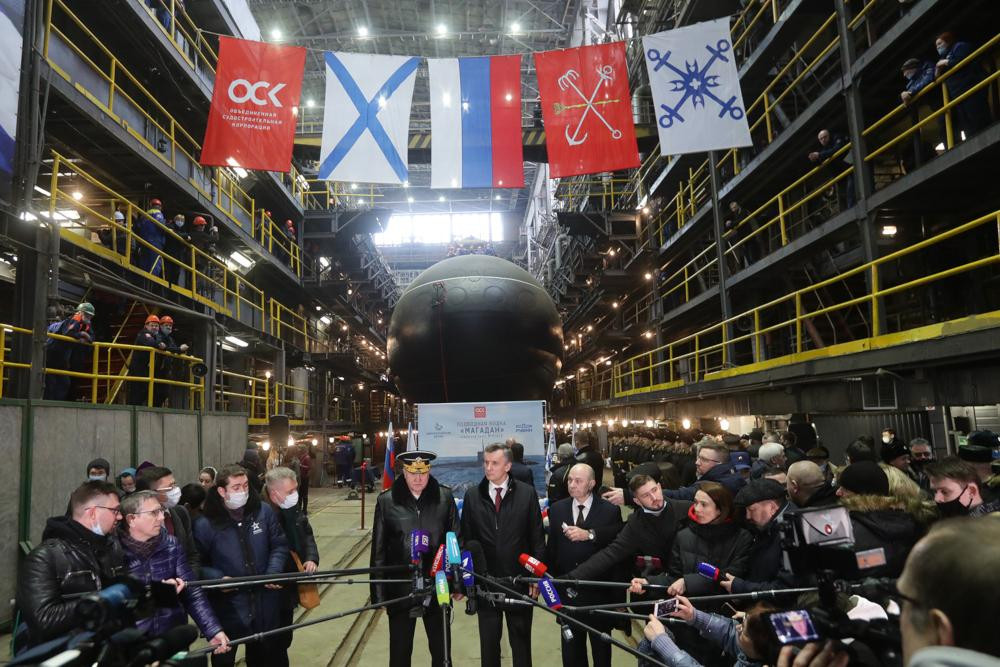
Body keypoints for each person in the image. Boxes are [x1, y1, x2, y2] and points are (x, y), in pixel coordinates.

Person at [194, 464, 289, 666]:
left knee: (263, 656)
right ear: (222, 491)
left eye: (245, 485)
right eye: (236, 488)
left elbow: (279, 544)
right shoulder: (205, 524)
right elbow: (195, 564)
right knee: (224, 658)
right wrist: (217, 579)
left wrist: (273, 571)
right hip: (229, 607)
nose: (243, 491)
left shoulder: (262, 512)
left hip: (264, 602)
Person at [461, 443, 545, 667]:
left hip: (519, 583)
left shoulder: (527, 494)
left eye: (494, 463)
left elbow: (537, 538)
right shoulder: (472, 496)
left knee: (521, 646)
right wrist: (469, 582)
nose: (488, 468)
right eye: (486, 463)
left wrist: (535, 576)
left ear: (508, 466)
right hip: (485, 584)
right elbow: (467, 541)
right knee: (489, 648)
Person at [371, 451, 459, 667]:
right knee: (400, 653)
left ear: (429, 471)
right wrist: (379, 595)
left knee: (442, 652)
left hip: (438, 586)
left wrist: (457, 584)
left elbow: (456, 542)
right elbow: (379, 551)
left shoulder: (445, 498)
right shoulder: (386, 501)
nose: (418, 479)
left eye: (423, 473)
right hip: (400, 588)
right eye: (413, 474)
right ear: (404, 472)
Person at [15, 481, 125, 651]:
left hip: (103, 648)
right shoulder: (45, 557)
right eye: (115, 511)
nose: (119, 517)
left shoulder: (111, 548)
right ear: (93, 513)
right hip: (62, 653)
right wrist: (101, 601)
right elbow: (44, 620)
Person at [118, 490, 229, 652]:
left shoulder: (171, 544)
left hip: (172, 638)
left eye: (161, 511)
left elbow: (192, 591)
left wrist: (212, 629)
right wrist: (160, 592)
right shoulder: (114, 551)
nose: (161, 517)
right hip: (133, 645)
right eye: (154, 513)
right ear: (131, 519)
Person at [545, 463, 623, 667]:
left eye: (578, 481)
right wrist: (552, 587)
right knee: (572, 654)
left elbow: (617, 557)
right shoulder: (557, 509)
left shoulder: (609, 511)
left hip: (600, 596)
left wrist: (618, 600)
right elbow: (552, 550)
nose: (572, 485)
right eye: (570, 480)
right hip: (568, 596)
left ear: (592, 483)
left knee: (601, 654)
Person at [632, 482, 752, 599]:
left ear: (720, 509)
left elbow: (731, 577)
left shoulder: (742, 538)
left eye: (704, 504)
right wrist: (649, 583)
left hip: (724, 606)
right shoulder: (683, 535)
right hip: (688, 606)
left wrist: (688, 582)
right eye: (695, 502)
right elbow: (675, 578)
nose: (697, 509)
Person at [567, 474, 677, 585]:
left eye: (654, 490)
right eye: (645, 495)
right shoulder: (635, 524)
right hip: (657, 582)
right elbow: (610, 554)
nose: (654, 498)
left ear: (660, 487)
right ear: (637, 501)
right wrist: (570, 578)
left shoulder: (683, 510)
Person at [263, 467, 319, 666]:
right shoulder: (261, 515)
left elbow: (307, 535)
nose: (295, 494)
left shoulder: (293, 511)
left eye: (295, 489)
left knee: (285, 636)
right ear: (274, 494)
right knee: (268, 642)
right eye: (290, 491)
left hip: (290, 584)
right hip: (269, 588)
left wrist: (311, 558)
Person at [835, 460, 929, 578]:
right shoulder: (914, 520)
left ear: (860, 495)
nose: (838, 492)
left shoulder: (848, 530)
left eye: (845, 489)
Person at [639, 596, 780, 667]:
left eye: (744, 631)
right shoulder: (759, 651)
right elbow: (729, 633)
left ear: (760, 648)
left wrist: (662, 642)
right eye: (743, 622)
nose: (738, 628)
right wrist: (694, 616)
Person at [722, 479, 791, 594]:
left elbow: (785, 589)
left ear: (772, 508)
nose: (748, 516)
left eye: (751, 510)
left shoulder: (791, 533)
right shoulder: (764, 529)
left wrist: (741, 587)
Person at [136, 465, 200, 572]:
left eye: (175, 484)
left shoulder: (181, 512)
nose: (176, 490)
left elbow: (192, 555)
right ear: (151, 493)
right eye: (170, 487)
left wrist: (190, 578)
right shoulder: (136, 522)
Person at [934, 32, 991, 137]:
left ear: (948, 41)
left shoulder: (960, 46)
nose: (938, 47)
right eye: (936, 45)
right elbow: (936, 78)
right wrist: (937, 68)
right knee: (967, 124)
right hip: (958, 94)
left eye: (940, 43)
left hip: (972, 87)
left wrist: (946, 62)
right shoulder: (943, 58)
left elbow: (962, 59)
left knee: (978, 118)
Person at [43, 302, 95, 401]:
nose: (89, 317)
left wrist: (86, 336)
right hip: (52, 353)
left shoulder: (86, 324)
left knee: (64, 383)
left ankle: (56, 404)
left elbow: (92, 338)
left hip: (62, 357)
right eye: (87, 314)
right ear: (80, 313)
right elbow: (68, 333)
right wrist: (82, 334)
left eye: (90, 316)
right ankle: (48, 404)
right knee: (51, 383)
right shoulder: (74, 320)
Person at [664, 440, 745, 500]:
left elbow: (684, 494)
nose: (697, 462)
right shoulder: (730, 475)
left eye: (704, 459)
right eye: (698, 457)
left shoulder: (716, 486)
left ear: (719, 463)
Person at [926, 456, 1000, 518]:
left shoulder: (990, 524)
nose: (937, 499)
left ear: (971, 491)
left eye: (944, 492)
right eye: (935, 492)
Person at [126, 314, 165, 406]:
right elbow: (150, 343)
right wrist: (159, 345)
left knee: (144, 393)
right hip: (137, 371)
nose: (154, 327)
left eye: (156, 326)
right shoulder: (143, 334)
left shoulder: (155, 337)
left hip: (145, 371)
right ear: (146, 326)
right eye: (152, 325)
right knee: (136, 395)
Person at [154, 315, 189, 407]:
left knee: (165, 392)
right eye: (166, 325)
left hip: (165, 370)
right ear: (161, 326)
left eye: (170, 325)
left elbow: (173, 349)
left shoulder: (170, 339)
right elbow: (165, 348)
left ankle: (157, 407)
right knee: (157, 392)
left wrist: (180, 350)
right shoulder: (157, 336)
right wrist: (179, 349)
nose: (169, 327)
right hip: (157, 369)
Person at [138, 198, 167, 277]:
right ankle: (152, 280)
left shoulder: (144, 215)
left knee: (144, 262)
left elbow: (139, 227)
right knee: (155, 263)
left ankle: (143, 278)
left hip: (144, 242)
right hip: (155, 242)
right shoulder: (158, 214)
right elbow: (161, 227)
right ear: (160, 207)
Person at [163, 213, 191, 287]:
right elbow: (179, 234)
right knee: (168, 273)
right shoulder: (170, 226)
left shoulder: (182, 229)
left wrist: (183, 235)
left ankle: (174, 288)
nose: (180, 222)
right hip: (169, 254)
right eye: (179, 220)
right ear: (175, 220)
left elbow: (187, 236)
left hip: (178, 256)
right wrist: (184, 236)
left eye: (182, 220)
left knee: (176, 273)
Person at [297, 445, 312, 514]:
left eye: (300, 449)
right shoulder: (300, 457)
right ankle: (300, 508)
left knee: (304, 494)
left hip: (304, 477)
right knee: (300, 494)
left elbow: (309, 467)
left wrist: (301, 466)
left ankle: (305, 509)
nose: (299, 450)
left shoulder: (307, 457)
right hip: (301, 477)